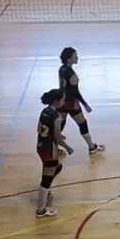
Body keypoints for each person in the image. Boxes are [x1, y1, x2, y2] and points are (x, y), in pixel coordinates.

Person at [58, 48, 104, 155]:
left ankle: (53, 146)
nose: (77, 57)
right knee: (82, 123)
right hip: (71, 103)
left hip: (61, 101)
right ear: (69, 59)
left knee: (60, 124)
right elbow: (75, 92)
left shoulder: (61, 69)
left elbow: (62, 87)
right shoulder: (72, 74)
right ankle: (92, 147)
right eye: (75, 56)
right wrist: (84, 104)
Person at [35, 89, 72, 218]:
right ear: (56, 102)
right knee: (47, 178)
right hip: (50, 149)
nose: (64, 102)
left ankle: (45, 192)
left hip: (40, 146)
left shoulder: (44, 112)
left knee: (54, 168)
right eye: (62, 100)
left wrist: (55, 134)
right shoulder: (57, 116)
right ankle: (41, 210)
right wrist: (67, 147)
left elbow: (39, 128)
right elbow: (57, 138)